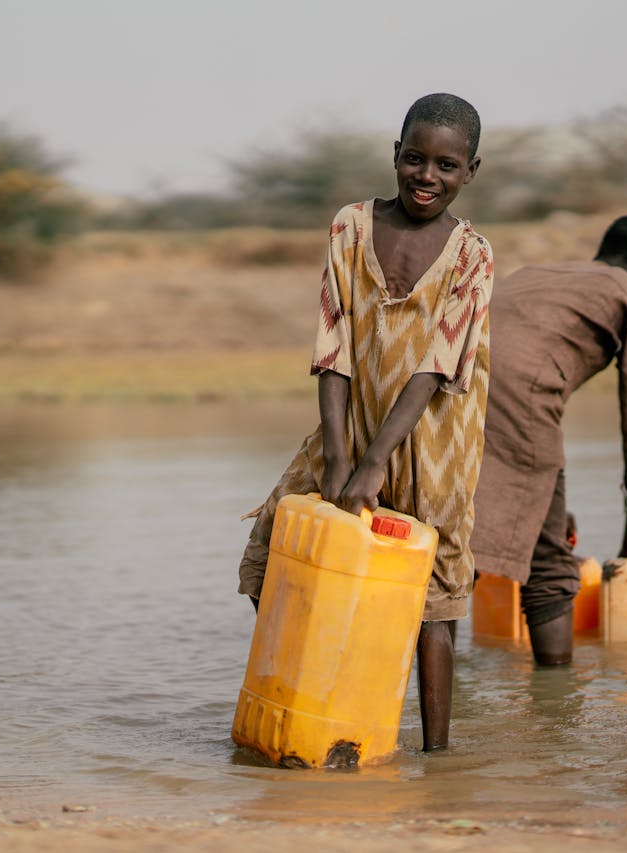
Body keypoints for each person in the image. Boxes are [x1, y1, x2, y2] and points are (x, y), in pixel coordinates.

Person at [237, 93, 493, 752]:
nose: (426, 176)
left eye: (446, 165)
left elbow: (437, 366)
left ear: (471, 171)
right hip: (348, 425)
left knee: (434, 598)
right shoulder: (351, 225)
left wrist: (378, 459)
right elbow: (334, 342)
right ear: (396, 155)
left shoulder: (472, 254)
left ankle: (435, 757)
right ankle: (320, 704)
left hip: (435, 441)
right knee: (277, 550)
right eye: (414, 159)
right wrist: (342, 455)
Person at [469, 215, 627, 667]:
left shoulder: (537, 274)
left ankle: (438, 690)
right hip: (518, 399)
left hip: (445, 385)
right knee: (551, 567)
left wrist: (543, 501)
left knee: (454, 542)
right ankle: (556, 710)